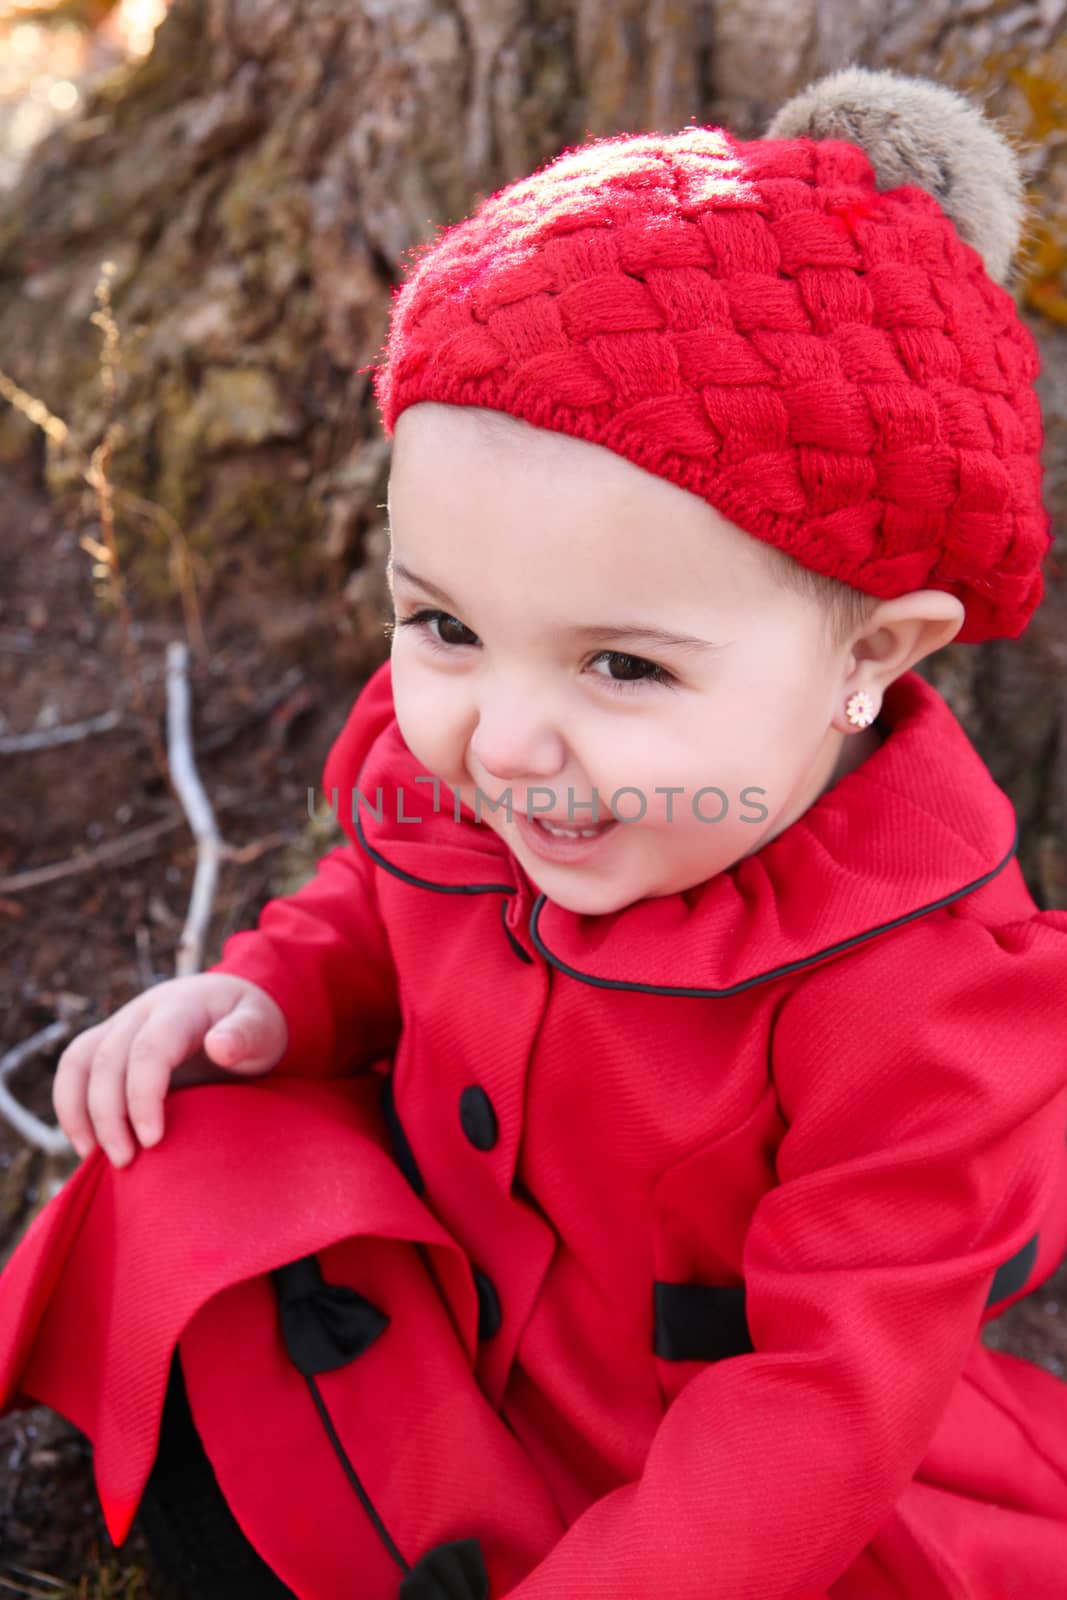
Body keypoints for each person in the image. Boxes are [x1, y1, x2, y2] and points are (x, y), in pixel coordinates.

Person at [2, 61, 1067, 1600]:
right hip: (448, 1340)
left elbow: (827, 1405)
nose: (501, 742)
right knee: (187, 1148)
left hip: (701, 1488)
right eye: (442, 626)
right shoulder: (506, 776)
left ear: (871, 659)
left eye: (622, 665)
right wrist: (265, 993)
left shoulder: (919, 1005)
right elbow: (382, 904)